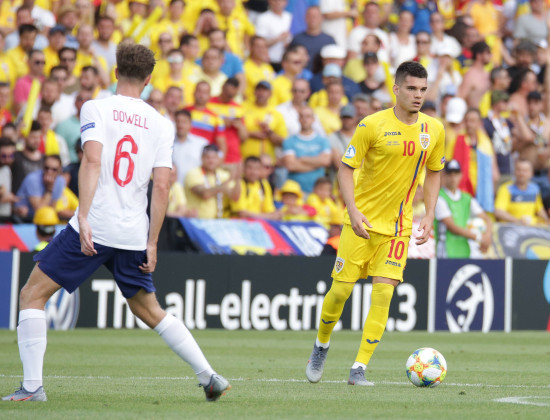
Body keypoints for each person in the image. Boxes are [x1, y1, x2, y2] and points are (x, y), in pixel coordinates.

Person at [1, 43, 230, 403]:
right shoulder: (161, 124)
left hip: (97, 224)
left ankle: (32, 388)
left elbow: (91, 162)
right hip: (133, 232)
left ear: (114, 72)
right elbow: (163, 185)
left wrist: (83, 215)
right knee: (149, 310)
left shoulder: (96, 107)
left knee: (32, 295)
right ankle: (209, 375)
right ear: (150, 80)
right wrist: (153, 241)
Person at [305, 61, 444, 386]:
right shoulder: (372, 125)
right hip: (361, 223)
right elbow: (345, 168)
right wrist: (352, 211)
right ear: (395, 89)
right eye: (411, 88)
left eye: (423, 89)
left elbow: (435, 171)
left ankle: (359, 368)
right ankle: (321, 345)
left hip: (398, 227)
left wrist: (430, 211)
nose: (418, 95)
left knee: (383, 295)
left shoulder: (434, 130)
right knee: (340, 292)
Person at [434, 160, 491, 258]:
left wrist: (487, 236)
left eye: (456, 174)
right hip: (446, 250)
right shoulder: (439, 198)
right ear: (444, 176)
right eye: (449, 174)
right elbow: (452, 227)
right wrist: (479, 237)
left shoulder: (467, 198)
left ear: (461, 175)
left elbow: (486, 219)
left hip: (464, 249)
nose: (453, 178)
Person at [281, 106, 331, 193]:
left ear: (313, 119)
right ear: (298, 119)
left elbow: (326, 161)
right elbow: (291, 165)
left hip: (317, 192)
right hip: (295, 192)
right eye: (302, 116)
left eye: (308, 116)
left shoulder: (323, 140)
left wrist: (302, 159)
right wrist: (317, 164)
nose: (305, 119)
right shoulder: (289, 141)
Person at [494, 159, 549, 225]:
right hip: (510, 227)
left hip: (530, 226)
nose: (521, 173)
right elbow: (498, 212)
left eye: (525, 171)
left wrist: (547, 221)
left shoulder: (534, 189)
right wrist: (517, 221)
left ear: (531, 173)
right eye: (518, 170)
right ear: (514, 172)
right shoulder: (506, 188)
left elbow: (540, 210)